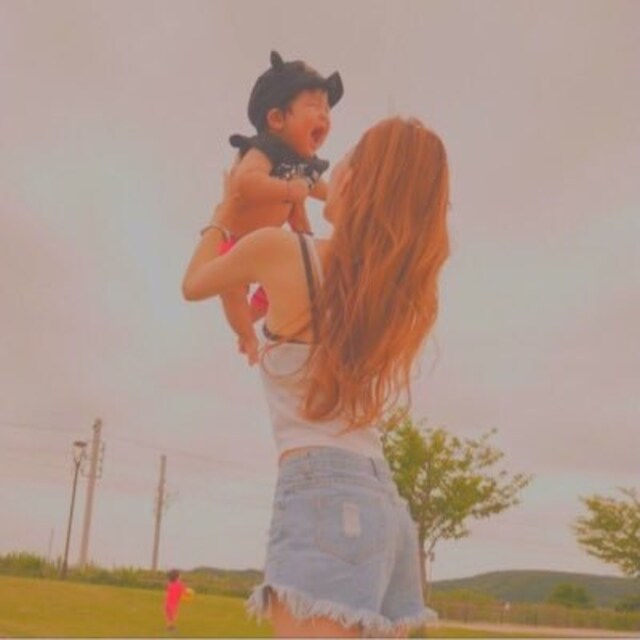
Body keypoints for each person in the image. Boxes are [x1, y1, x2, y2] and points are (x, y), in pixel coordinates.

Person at [182, 117, 450, 637]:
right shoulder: (389, 295)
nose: (332, 167)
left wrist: (225, 212)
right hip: (385, 507)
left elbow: (194, 283)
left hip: (324, 495)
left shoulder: (281, 251)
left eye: (345, 158)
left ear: (356, 180)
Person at [217, 50, 343, 365]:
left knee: (278, 288)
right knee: (231, 291)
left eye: (327, 109)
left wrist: (344, 200)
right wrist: (288, 189)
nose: (325, 116)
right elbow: (245, 182)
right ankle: (246, 334)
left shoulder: (301, 163)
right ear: (277, 119)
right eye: (314, 107)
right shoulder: (264, 151)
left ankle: (253, 318)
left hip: (271, 247)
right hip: (236, 242)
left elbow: (318, 188)